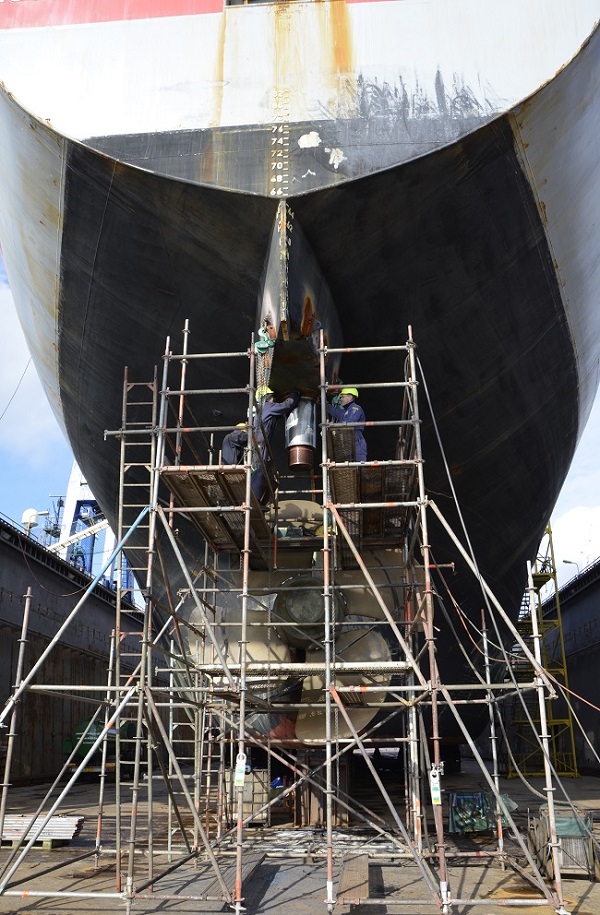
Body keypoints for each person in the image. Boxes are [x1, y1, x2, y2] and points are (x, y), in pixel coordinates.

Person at [222, 386, 300, 498]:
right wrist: (295, 394)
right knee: (260, 467)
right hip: (260, 441)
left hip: (258, 441)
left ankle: (255, 497)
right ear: (267, 397)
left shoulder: (262, 411)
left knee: (259, 467)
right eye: (272, 397)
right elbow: (287, 405)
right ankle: (255, 498)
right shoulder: (268, 407)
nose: (274, 399)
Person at [326, 386, 367, 461]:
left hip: (357, 443)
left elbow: (349, 422)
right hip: (347, 444)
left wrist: (332, 425)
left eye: (343, 397)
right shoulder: (346, 412)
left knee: (358, 468)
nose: (341, 399)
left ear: (350, 397)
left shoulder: (356, 408)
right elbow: (334, 411)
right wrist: (325, 404)